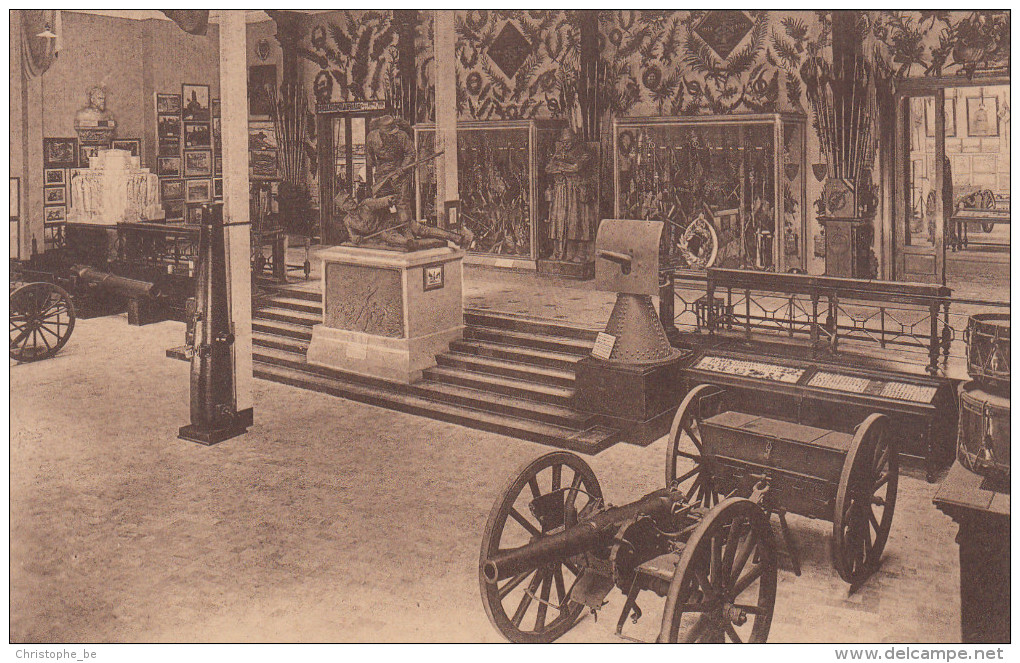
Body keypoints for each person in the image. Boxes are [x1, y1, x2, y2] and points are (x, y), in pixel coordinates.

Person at [361, 115, 472, 249]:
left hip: (400, 176)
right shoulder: (372, 137)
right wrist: (380, 168)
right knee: (382, 203)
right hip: (381, 177)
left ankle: (410, 234)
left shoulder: (401, 136)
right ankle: (451, 238)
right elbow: (369, 159)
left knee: (403, 206)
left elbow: (411, 154)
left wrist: (402, 168)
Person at [546, 127, 595, 262]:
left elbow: (577, 167)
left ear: (574, 140)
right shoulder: (558, 153)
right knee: (559, 220)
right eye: (562, 142)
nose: (564, 145)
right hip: (561, 192)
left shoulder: (583, 152)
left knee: (577, 222)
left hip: (575, 192)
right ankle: (559, 252)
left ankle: (579, 253)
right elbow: (549, 168)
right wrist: (562, 166)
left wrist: (561, 166)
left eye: (567, 142)